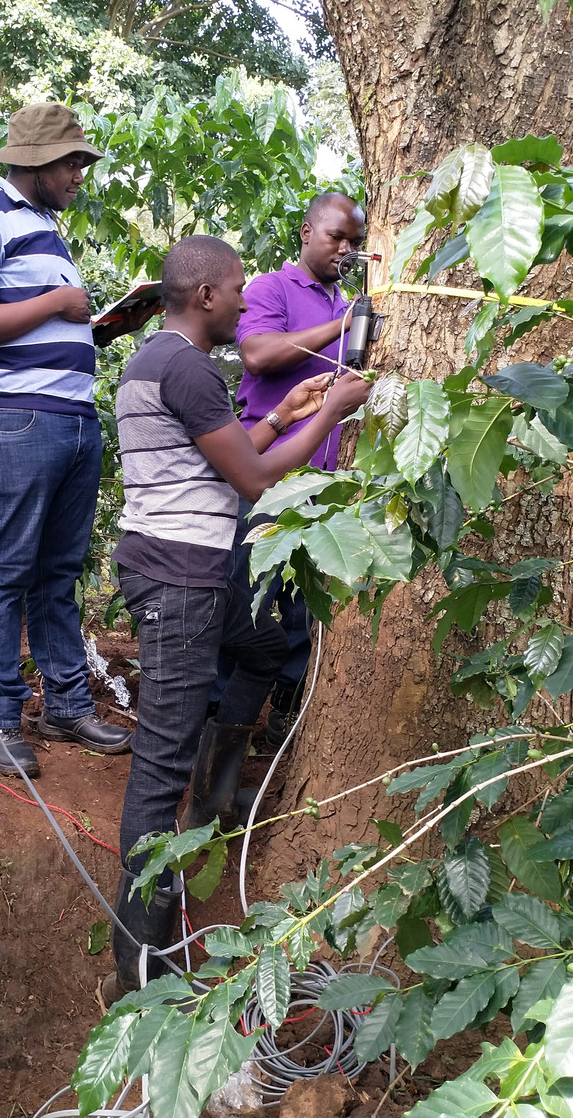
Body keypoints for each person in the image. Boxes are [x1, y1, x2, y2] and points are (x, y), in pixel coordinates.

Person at [103, 235, 370, 1004]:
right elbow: (253, 479)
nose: (245, 303)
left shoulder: (162, 362)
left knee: (261, 646)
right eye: (237, 290)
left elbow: (218, 462)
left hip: (191, 569)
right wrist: (333, 414)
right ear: (206, 296)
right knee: (158, 760)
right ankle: (139, 964)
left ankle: (215, 799)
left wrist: (286, 410)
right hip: (178, 580)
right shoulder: (183, 365)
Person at [0, 102, 145, 778]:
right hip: (15, 421)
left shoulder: (46, 232)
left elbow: (33, 325)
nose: (80, 174)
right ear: (33, 163)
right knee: (2, 571)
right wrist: (60, 305)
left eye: (81, 162)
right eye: (71, 162)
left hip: (70, 422)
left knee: (58, 575)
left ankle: (64, 703)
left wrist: (97, 327)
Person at [222, 192, 369, 742]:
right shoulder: (270, 289)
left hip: (327, 481)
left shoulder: (349, 303)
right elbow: (258, 354)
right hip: (267, 469)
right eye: (336, 237)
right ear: (306, 232)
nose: (345, 249)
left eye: (355, 242)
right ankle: (218, 714)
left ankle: (284, 714)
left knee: (308, 603)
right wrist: (342, 327)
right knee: (244, 589)